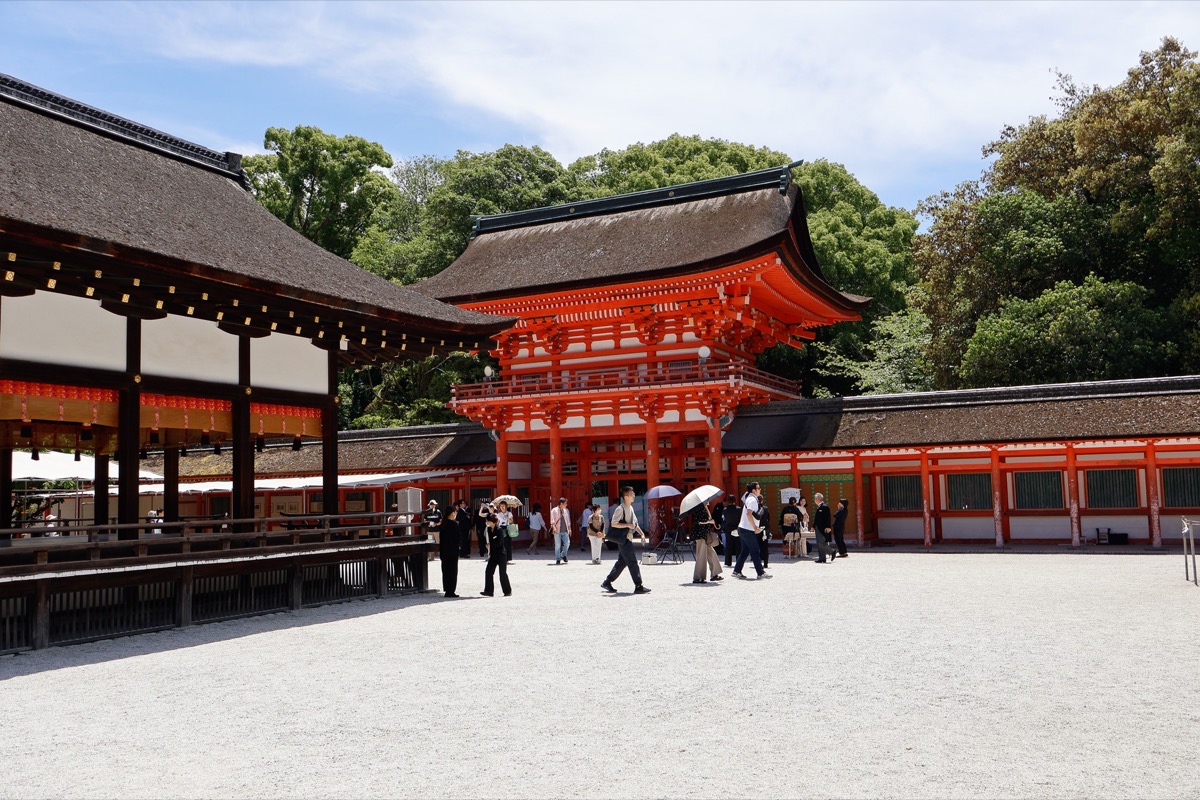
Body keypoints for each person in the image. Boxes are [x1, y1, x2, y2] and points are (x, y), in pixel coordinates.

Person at [600, 486, 650, 594]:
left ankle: (607, 582)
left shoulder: (630, 508)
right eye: (632, 494)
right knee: (632, 562)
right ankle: (638, 585)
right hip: (624, 539)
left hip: (627, 538)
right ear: (626, 497)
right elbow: (614, 523)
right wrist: (628, 525)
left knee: (621, 563)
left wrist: (642, 534)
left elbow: (634, 524)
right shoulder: (620, 508)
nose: (634, 496)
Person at [732, 482, 771, 580]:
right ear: (754, 490)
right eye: (758, 488)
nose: (760, 490)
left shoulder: (749, 498)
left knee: (745, 551)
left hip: (743, 528)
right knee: (755, 551)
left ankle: (737, 571)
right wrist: (755, 527)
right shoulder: (752, 500)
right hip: (748, 529)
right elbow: (749, 513)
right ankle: (760, 572)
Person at [691, 502, 724, 584]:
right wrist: (709, 522)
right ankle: (698, 577)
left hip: (705, 535)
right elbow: (699, 521)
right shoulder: (699, 509)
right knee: (701, 556)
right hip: (700, 535)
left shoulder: (705, 508)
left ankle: (715, 574)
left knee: (712, 553)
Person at [481, 511, 511, 597]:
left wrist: (491, 545)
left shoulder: (499, 530)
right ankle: (489, 591)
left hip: (501, 554)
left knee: (502, 574)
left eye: (488, 521)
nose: (487, 523)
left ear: (492, 521)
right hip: (493, 554)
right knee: (488, 572)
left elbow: (500, 542)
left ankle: (507, 591)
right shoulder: (488, 530)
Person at [440, 505, 461, 597]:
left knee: (445, 571)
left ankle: (447, 589)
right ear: (452, 513)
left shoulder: (443, 524)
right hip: (452, 551)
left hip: (444, 550)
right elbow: (458, 538)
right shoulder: (454, 524)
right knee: (452, 571)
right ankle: (451, 590)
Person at [812, 492, 834, 564]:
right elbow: (816, 519)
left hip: (822, 528)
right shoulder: (819, 507)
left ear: (818, 499)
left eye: (815, 499)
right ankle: (822, 558)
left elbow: (828, 518)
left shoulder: (825, 507)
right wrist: (813, 526)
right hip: (818, 527)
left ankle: (832, 552)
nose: (814, 500)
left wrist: (828, 526)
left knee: (821, 542)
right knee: (819, 543)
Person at [549, 497, 571, 564]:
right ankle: (558, 558)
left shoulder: (566, 510)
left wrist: (569, 529)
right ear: (561, 503)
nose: (566, 504)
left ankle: (563, 555)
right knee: (558, 545)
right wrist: (553, 527)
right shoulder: (554, 510)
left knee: (567, 543)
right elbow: (552, 520)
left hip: (565, 530)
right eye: (565, 503)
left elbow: (568, 520)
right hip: (557, 530)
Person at [722, 494, 741, 568]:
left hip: (728, 528)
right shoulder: (739, 509)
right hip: (737, 528)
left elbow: (724, 519)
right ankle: (738, 561)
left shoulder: (725, 509)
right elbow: (740, 519)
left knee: (728, 545)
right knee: (738, 545)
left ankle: (728, 561)